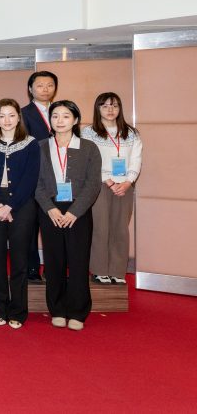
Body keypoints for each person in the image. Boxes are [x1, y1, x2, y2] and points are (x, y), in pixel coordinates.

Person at [36, 100, 102, 330]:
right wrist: (50, 208)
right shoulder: (41, 147)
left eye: (66, 116)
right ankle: (57, 309)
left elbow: (93, 184)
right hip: (50, 210)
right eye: (55, 116)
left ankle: (77, 311)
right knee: (53, 261)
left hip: (78, 211)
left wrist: (75, 211)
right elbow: (35, 182)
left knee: (78, 261)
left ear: (75, 120)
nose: (60, 120)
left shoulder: (89, 148)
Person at [0, 99, 40, 329]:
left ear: (18, 117)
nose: (7, 120)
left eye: (11, 115)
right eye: (2, 115)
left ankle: (18, 311)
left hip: (22, 206)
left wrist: (10, 206)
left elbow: (30, 179)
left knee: (19, 260)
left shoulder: (31, 144)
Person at [82, 92, 143, 285]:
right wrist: (108, 181)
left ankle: (117, 271)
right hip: (100, 185)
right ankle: (99, 270)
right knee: (100, 228)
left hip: (125, 186)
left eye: (115, 106)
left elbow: (136, 159)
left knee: (120, 229)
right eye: (105, 106)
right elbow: (89, 160)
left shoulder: (131, 133)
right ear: (98, 108)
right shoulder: (88, 132)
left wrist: (128, 182)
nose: (110, 110)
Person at [21, 70, 58, 283]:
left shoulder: (61, 110)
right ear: (30, 89)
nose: (45, 89)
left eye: (50, 85)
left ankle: (54, 270)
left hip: (59, 177)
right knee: (31, 225)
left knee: (54, 225)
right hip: (34, 176)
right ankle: (32, 270)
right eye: (40, 85)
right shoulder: (23, 113)